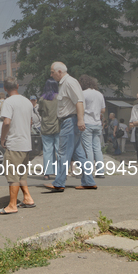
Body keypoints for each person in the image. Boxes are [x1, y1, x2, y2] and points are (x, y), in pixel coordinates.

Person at [44, 62, 97, 191]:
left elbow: (79, 101)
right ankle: (89, 181)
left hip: (70, 121)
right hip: (70, 121)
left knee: (62, 153)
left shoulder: (69, 82)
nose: (51, 75)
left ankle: (59, 182)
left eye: (52, 72)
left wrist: (80, 120)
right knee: (78, 154)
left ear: (60, 71)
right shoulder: (66, 83)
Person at [0, 77, 35, 215]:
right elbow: (30, 122)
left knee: (13, 175)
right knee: (21, 175)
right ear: (18, 86)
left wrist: (2, 138)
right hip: (26, 143)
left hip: (15, 143)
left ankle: (12, 205)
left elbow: (6, 122)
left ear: (5, 89)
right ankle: (28, 198)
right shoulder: (27, 102)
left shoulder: (8, 102)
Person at [79, 75, 106, 178]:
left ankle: (88, 171)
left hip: (87, 122)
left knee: (88, 148)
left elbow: (79, 107)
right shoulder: (99, 94)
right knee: (97, 148)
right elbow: (103, 110)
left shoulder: (83, 94)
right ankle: (100, 171)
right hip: (97, 123)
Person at [38, 78, 60, 180]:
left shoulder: (42, 99)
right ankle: (59, 172)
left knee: (47, 150)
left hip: (46, 127)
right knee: (59, 151)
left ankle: (47, 173)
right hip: (58, 127)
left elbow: (40, 112)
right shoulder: (59, 98)